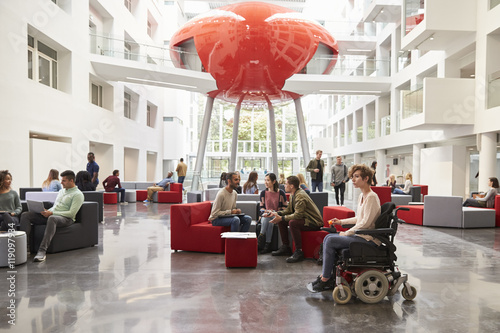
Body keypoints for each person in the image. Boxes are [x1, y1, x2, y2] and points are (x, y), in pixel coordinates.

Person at [308, 164, 381, 292]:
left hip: (368, 239)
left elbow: (365, 222)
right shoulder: (362, 196)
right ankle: (326, 276)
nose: (353, 179)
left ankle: (325, 279)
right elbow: (359, 218)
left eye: (357, 177)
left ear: (366, 178)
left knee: (330, 240)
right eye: (352, 177)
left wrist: (347, 232)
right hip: (360, 235)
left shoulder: (371, 197)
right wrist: (341, 222)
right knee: (328, 237)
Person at [21, 170, 84, 262]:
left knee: (52, 218)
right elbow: (55, 207)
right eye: (61, 180)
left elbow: (71, 213)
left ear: (71, 181)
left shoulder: (78, 194)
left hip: (66, 219)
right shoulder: (62, 191)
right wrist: (47, 211)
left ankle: (42, 251)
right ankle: (24, 248)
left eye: (64, 181)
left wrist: (52, 213)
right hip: (53, 215)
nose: (61, 182)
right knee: (26, 215)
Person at [269, 175, 323, 263]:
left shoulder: (300, 196)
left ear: (292, 186)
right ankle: (286, 247)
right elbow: (289, 210)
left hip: (314, 222)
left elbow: (298, 215)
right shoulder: (293, 194)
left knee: (293, 223)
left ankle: (299, 251)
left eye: (286, 184)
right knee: (282, 221)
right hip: (305, 219)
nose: (284, 185)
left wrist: (282, 218)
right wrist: (277, 213)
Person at [257, 173, 287, 254]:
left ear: (274, 181)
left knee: (269, 220)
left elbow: (285, 207)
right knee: (267, 219)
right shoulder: (263, 193)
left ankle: (260, 238)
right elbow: (261, 207)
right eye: (265, 180)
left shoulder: (281, 193)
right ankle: (267, 244)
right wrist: (266, 212)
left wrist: (274, 212)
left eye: (268, 180)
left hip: (276, 215)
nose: (266, 182)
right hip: (266, 214)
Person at [0, 170, 24, 235]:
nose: (10, 181)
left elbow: (19, 207)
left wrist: (14, 212)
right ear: (1, 180)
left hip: (12, 217)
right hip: (0, 216)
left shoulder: (13, 193)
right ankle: (14, 238)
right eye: (7, 179)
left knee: (4, 222)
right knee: (4, 215)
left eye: (10, 179)